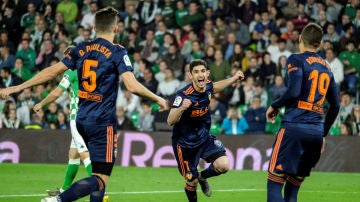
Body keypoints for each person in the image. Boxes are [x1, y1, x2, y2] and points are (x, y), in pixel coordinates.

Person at [0, 7, 168, 202]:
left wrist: (18, 87)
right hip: (102, 121)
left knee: (94, 171)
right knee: (100, 180)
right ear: (115, 29)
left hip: (81, 118)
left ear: (95, 27)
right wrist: (158, 98)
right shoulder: (117, 51)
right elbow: (131, 85)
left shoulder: (80, 48)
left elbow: (51, 72)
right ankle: (58, 200)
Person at [265, 23, 340, 202]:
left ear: (300, 39)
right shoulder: (327, 67)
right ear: (320, 44)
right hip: (315, 133)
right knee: (292, 190)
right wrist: (323, 133)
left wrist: (275, 105)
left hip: (293, 129)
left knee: (275, 183)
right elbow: (335, 106)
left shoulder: (296, 59)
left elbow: (293, 92)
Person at [167, 59, 244, 202]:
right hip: (185, 145)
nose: (200, 74)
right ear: (190, 75)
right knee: (191, 181)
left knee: (223, 165)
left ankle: (202, 177)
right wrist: (182, 108)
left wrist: (233, 79)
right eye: (196, 72)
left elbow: (215, 86)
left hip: (203, 137)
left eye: (202, 71)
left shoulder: (208, 86)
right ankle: (196, 183)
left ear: (207, 73)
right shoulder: (183, 95)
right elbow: (170, 120)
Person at [32, 46, 93, 196]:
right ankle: (65, 190)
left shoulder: (71, 71)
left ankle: (100, 190)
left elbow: (58, 92)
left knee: (84, 153)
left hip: (78, 117)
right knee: (74, 154)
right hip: (90, 115)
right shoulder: (89, 70)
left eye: (66, 56)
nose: (65, 60)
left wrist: (42, 103)